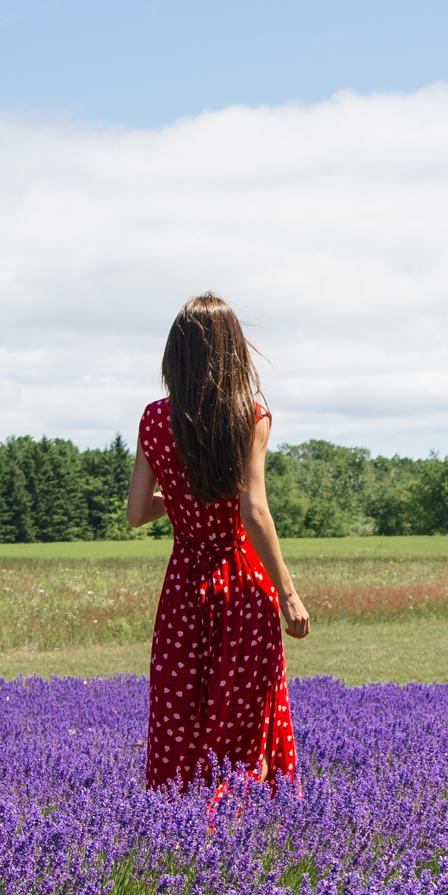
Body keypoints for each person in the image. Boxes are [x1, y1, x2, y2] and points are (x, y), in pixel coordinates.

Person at [127, 293, 310, 791]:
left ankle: (179, 837)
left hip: (184, 586)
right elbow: (252, 510)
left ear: (176, 354)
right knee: (244, 724)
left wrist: (183, 505)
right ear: (233, 350)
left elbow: (137, 513)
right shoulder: (250, 416)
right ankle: (244, 840)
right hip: (243, 585)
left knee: (178, 717)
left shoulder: (152, 419)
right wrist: (289, 594)